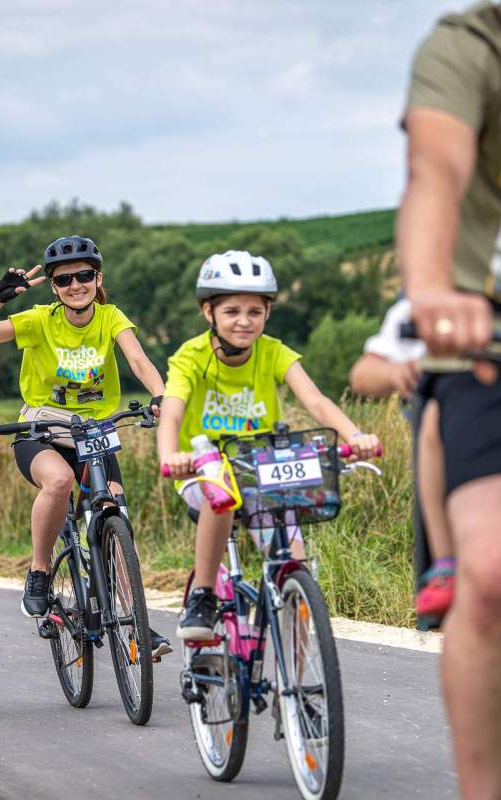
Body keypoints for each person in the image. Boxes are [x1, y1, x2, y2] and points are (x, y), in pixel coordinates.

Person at [0, 235, 172, 659]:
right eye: (65, 279)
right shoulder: (39, 321)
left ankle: (137, 629)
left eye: (85, 276)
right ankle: (39, 571)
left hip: (94, 431)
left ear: (98, 278)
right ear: (53, 287)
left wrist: (160, 395)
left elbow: (138, 360)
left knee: (114, 512)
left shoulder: (111, 318)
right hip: (43, 430)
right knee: (58, 482)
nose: (76, 285)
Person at [157, 250, 380, 640]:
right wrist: (170, 455)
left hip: (262, 471)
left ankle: (296, 693)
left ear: (267, 314)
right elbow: (172, 412)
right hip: (202, 469)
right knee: (220, 490)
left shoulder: (273, 351)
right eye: (232, 311)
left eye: (254, 312)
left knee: (296, 572)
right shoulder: (190, 357)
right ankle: (204, 597)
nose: (244, 321)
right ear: (209, 313)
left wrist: (354, 435)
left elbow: (316, 401)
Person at [398, 4, 501, 796]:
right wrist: (433, 287)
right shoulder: (470, 46)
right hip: (483, 341)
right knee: (492, 572)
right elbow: (436, 172)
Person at [349, 299, 455, 629]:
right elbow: (363, 374)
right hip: (456, 470)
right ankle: (445, 566)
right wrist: (397, 372)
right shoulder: (426, 300)